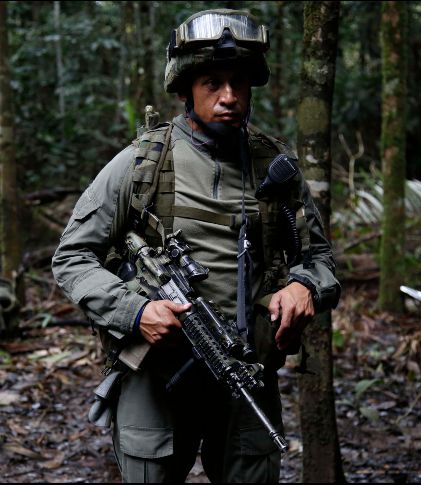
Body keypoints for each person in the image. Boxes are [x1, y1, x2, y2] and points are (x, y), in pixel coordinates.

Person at [52, 8, 340, 483]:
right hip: (157, 378)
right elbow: (72, 257)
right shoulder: (142, 164)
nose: (229, 96)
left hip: (245, 376)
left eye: (239, 82)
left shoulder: (276, 169)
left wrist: (304, 287)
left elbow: (319, 259)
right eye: (212, 83)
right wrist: (135, 312)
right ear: (185, 89)